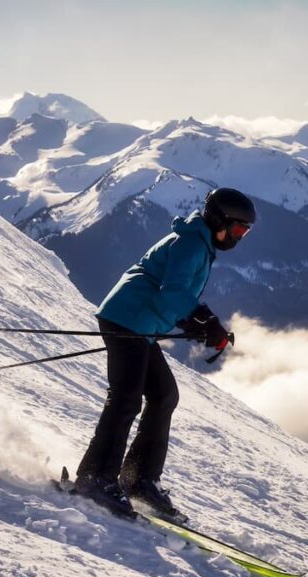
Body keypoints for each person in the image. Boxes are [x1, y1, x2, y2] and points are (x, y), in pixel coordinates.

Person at [74, 187, 256, 520]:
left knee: (163, 395)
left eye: (245, 231)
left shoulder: (199, 242)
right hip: (127, 318)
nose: (240, 237)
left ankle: (139, 479)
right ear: (220, 220)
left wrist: (195, 320)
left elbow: (175, 292)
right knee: (126, 398)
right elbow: (172, 290)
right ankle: (96, 479)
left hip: (139, 322)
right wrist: (203, 319)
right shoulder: (191, 243)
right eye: (238, 229)